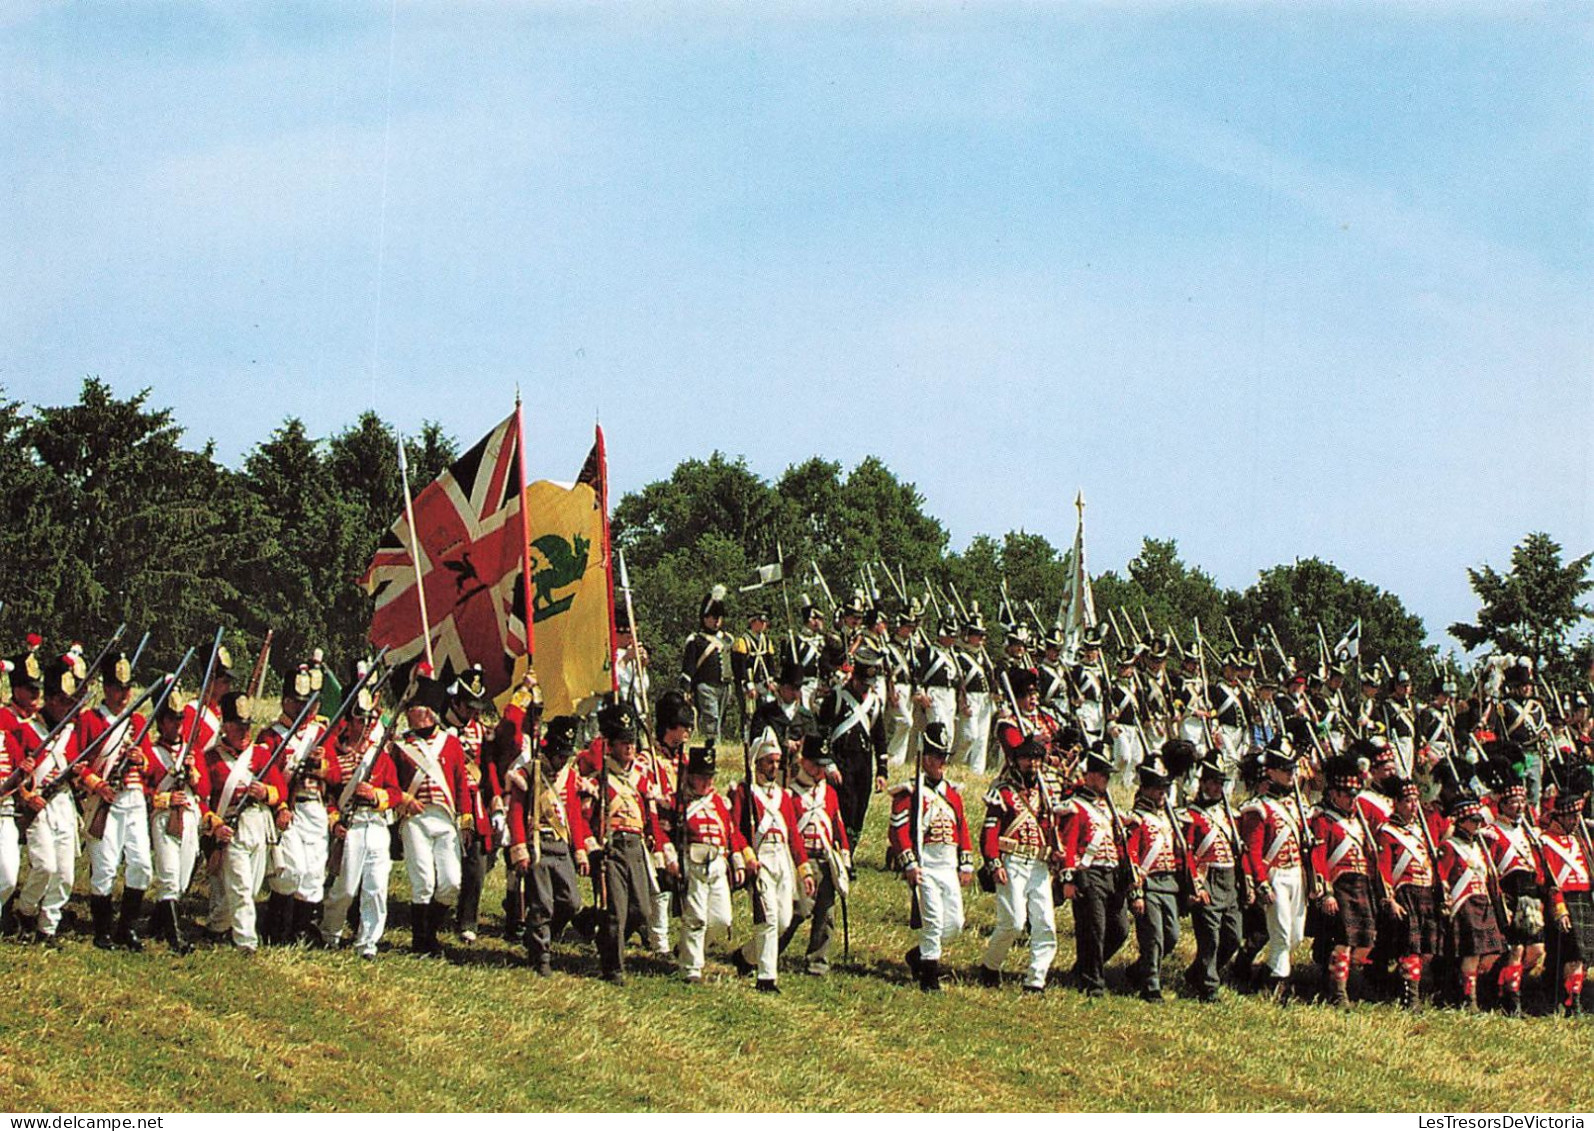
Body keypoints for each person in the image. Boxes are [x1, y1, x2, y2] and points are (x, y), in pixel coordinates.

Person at [318, 669, 402, 959]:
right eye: (360, 720)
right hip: (350, 826)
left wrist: (376, 796)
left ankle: (368, 942)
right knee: (345, 887)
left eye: (369, 720)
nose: (365, 726)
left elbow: (395, 792)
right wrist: (333, 821)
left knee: (377, 887)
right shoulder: (336, 754)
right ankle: (330, 932)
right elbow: (327, 795)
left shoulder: (381, 755)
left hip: (376, 823)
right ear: (350, 720)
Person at [590, 703, 676, 983]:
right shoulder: (601, 776)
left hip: (637, 844)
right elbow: (586, 815)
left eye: (631, 742)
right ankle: (613, 968)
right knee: (616, 910)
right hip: (613, 844)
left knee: (640, 909)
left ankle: (603, 939)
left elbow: (649, 812)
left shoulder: (640, 778)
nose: (629, 747)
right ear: (611, 744)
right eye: (622, 742)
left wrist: (658, 843)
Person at [75, 652, 155, 950]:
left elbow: (151, 769)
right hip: (105, 799)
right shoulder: (90, 720)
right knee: (105, 865)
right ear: (106, 687)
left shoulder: (137, 721)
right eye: (118, 687)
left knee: (142, 865)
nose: (125, 693)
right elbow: (77, 763)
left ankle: (127, 928)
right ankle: (102, 929)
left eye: (128, 687)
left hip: (133, 798)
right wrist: (96, 783)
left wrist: (141, 759)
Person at [390, 671, 472, 957]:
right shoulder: (400, 746)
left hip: (445, 818)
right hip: (415, 819)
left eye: (414, 708)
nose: (409, 713)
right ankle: (421, 940)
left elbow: (461, 784)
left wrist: (466, 820)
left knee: (451, 882)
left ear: (428, 713)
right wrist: (402, 798)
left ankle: (431, 931)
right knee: (423, 881)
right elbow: (390, 782)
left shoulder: (450, 744)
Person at [890, 722, 974, 991]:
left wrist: (966, 862)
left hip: (948, 864)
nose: (941, 763)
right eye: (936, 756)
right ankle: (929, 977)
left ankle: (918, 956)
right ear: (924, 758)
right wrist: (910, 864)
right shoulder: (910, 792)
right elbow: (898, 831)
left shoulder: (952, 794)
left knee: (955, 924)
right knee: (933, 920)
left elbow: (962, 828)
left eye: (943, 757)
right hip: (925, 863)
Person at [505, 715, 591, 975]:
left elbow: (573, 815)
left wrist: (580, 851)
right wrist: (520, 849)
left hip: (561, 843)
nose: (563, 760)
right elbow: (515, 813)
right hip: (537, 843)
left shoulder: (569, 777)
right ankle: (541, 956)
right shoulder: (529, 774)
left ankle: (538, 937)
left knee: (571, 902)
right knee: (542, 904)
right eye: (559, 754)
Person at [977, 737, 1063, 993]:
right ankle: (991, 966)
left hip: (1038, 863)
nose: (1032, 764)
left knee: (1045, 922)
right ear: (1015, 761)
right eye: (1027, 758)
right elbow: (990, 830)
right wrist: (993, 862)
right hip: (1011, 860)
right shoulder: (1003, 791)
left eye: (1037, 759)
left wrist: (1055, 852)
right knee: (1013, 922)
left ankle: (1036, 980)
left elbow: (1048, 828)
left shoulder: (1045, 794)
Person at [203, 691, 287, 953]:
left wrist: (266, 793)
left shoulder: (260, 755)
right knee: (240, 887)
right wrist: (215, 825)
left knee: (247, 889)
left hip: (258, 826)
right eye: (238, 725)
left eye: (247, 725)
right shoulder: (212, 758)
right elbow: (204, 799)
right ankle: (246, 942)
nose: (243, 731)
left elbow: (281, 790)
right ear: (225, 726)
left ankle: (216, 927)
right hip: (231, 828)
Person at [730, 733, 814, 993]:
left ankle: (745, 956)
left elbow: (793, 835)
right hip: (760, 858)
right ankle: (766, 978)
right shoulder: (744, 792)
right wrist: (747, 856)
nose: (774, 767)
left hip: (782, 860)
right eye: (769, 761)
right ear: (757, 762)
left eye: (777, 762)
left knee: (784, 921)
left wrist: (804, 869)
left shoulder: (783, 797)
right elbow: (734, 829)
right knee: (767, 919)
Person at [263, 661, 331, 946]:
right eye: (297, 702)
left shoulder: (320, 734)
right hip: (287, 808)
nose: (303, 708)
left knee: (314, 871)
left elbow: (337, 772)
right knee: (291, 870)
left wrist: (321, 765)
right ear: (285, 701)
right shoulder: (272, 735)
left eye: (308, 703)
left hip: (315, 805)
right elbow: (268, 772)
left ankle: (301, 931)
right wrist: (280, 806)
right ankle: (275, 928)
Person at [1058, 743, 1132, 997]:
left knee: (1120, 929)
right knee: (1093, 929)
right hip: (1088, 872)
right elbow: (1068, 846)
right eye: (1102, 774)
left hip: (1111, 873)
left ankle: (1084, 968)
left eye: (1108, 775)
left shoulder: (1106, 807)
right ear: (1089, 775)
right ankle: (1093, 983)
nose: (1105, 780)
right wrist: (1068, 878)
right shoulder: (1075, 805)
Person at [1238, 743, 1309, 1000]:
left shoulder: (1295, 803)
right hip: (1275, 874)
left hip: (1296, 873)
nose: (1291, 774)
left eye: (1292, 768)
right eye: (1284, 769)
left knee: (1296, 935)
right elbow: (1253, 851)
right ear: (1271, 772)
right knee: (1280, 934)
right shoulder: (1259, 807)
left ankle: (1263, 976)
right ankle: (1279, 988)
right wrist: (1261, 882)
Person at [1309, 754, 1380, 1007]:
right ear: (1334, 793)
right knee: (1344, 941)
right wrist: (1325, 891)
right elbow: (1318, 856)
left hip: (1362, 883)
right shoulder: (1323, 820)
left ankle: (1347, 983)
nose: (1352, 799)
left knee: (1364, 941)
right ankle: (1338, 992)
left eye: (1354, 794)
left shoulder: (1358, 821)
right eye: (1347, 794)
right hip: (1340, 885)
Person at [674, 744, 748, 984]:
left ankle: (687, 948)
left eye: (709, 776)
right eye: (701, 777)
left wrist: (737, 861)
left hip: (718, 862)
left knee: (721, 919)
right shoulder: (679, 802)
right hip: (693, 860)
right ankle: (691, 968)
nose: (706, 782)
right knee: (696, 917)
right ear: (690, 777)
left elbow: (732, 833)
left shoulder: (719, 803)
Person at [1479, 751, 1544, 1017]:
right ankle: (1511, 1001)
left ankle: (1504, 984)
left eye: (1521, 801)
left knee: (1536, 951)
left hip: (1530, 892)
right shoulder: (1491, 832)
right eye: (1513, 802)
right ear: (1502, 804)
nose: (1518, 806)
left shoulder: (1528, 830)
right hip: (1510, 892)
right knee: (1515, 950)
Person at [783, 734, 852, 976]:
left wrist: (844, 856)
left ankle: (818, 962)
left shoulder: (829, 793)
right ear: (804, 762)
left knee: (826, 913)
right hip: (801, 861)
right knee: (798, 910)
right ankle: (770, 948)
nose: (820, 770)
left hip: (825, 859)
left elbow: (837, 824)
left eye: (823, 765)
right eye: (816, 764)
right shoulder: (790, 794)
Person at [1181, 759, 1246, 1002]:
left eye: (1221, 783)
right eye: (1215, 783)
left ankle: (1199, 972)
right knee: (1210, 937)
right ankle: (1208, 986)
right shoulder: (1191, 814)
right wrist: (1195, 882)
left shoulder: (1227, 814)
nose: (1219, 788)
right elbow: (1187, 851)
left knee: (1233, 936)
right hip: (1208, 876)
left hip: (1229, 879)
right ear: (1204, 783)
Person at [1436, 792, 1506, 1012]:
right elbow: (1442, 875)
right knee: (1472, 953)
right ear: (1462, 821)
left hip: (1482, 901)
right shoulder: (1449, 846)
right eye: (1473, 821)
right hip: (1464, 902)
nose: (1477, 825)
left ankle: (1466, 984)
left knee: (1494, 951)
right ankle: (1470, 999)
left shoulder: (1479, 846)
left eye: (1478, 821)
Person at [1375, 776, 1441, 1011]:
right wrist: (1389, 898)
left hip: (1426, 892)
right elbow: (1384, 868)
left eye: (1415, 801)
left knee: (1428, 950)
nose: (1413, 806)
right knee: (1410, 948)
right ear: (1396, 803)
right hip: (1405, 892)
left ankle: (1401, 983)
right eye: (1407, 801)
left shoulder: (1421, 831)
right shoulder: (1387, 831)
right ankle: (1410, 999)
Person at [1123, 754, 1185, 1002]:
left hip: (1168, 883)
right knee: (1153, 937)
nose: (1162, 793)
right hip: (1147, 883)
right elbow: (1131, 857)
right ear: (1146, 789)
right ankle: (1151, 986)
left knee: (1171, 936)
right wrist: (1135, 892)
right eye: (1157, 788)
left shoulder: (1168, 817)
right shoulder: (1137, 818)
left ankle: (1139, 970)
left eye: (1164, 788)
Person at [816, 646, 888, 851]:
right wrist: (828, 764)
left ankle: (850, 851)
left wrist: (882, 771)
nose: (867, 688)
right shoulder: (837, 698)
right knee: (844, 810)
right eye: (864, 683)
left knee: (859, 811)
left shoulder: (874, 703)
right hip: (841, 761)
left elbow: (880, 738)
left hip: (863, 764)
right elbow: (823, 732)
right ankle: (840, 852)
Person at [444, 664, 494, 944]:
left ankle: (467, 920)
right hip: (448, 799)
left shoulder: (479, 730)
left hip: (474, 803)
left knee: (476, 861)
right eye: (469, 706)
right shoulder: (441, 726)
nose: (474, 713)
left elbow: (486, 766)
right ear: (456, 702)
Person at [1539, 769, 1593, 1017]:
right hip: (1563, 901)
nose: (1575, 821)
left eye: (1577, 816)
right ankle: (1565, 999)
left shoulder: (1579, 841)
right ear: (1559, 817)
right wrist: (1559, 908)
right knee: (1569, 954)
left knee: (1581, 956)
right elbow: (1549, 881)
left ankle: (1574, 999)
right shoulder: (1545, 842)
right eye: (1571, 817)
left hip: (1583, 899)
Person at [681, 586, 734, 743]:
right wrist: (686, 688)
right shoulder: (696, 640)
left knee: (720, 718)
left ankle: (716, 744)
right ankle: (712, 747)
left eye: (719, 617)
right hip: (705, 686)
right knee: (711, 717)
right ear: (705, 617)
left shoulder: (728, 639)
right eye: (713, 617)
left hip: (725, 685)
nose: (717, 620)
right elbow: (688, 666)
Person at [954, 613, 995, 774]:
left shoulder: (983, 657)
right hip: (970, 697)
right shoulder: (960, 656)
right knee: (969, 736)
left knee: (982, 738)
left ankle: (977, 771)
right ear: (968, 636)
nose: (981, 639)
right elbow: (959, 682)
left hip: (985, 699)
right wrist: (962, 703)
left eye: (982, 635)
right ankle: (956, 764)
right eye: (978, 635)